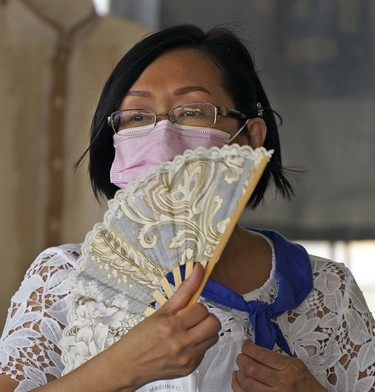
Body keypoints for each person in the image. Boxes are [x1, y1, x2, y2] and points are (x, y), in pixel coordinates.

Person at [0, 24, 374, 392]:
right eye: (137, 116)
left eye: (192, 111)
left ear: (250, 138)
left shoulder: (327, 291)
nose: (162, 135)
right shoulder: (64, 279)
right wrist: (119, 369)